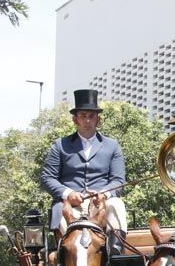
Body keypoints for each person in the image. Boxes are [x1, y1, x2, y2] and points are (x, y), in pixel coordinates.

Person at [41, 89, 129, 255]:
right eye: (83, 116)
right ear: (75, 119)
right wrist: (68, 193)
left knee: (117, 204)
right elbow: (47, 178)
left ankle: (115, 256)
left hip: (100, 204)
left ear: (98, 119)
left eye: (91, 116)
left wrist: (103, 194)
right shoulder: (60, 145)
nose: (87, 120)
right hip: (70, 206)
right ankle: (65, 259)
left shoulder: (112, 146)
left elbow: (118, 180)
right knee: (62, 214)